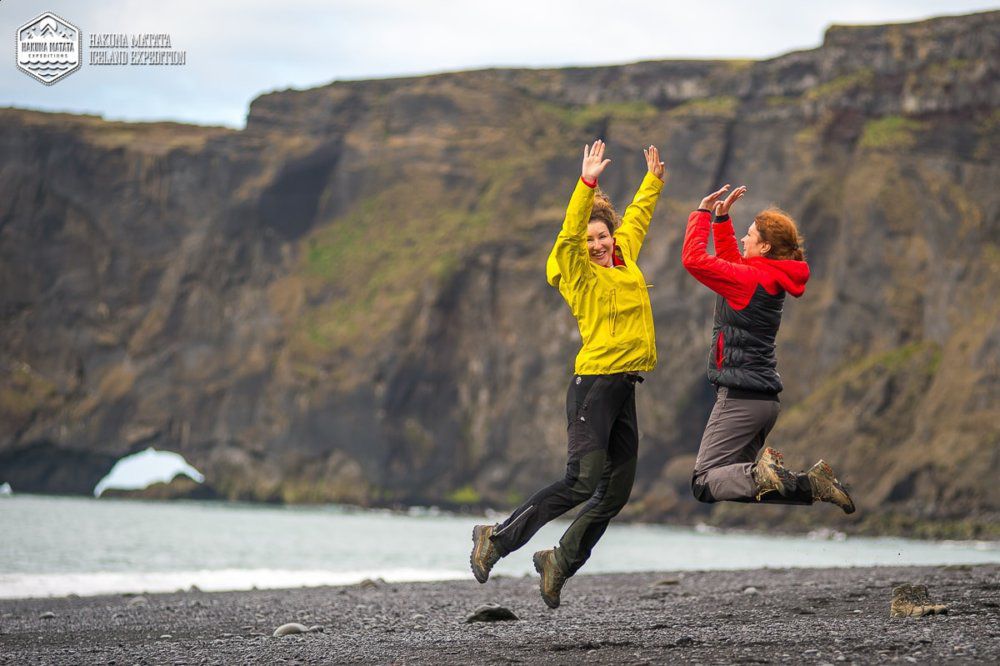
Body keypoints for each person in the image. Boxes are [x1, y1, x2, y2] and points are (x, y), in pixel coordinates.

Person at [470, 139, 665, 608]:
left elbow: (637, 218)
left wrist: (652, 183)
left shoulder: (625, 258)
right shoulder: (579, 272)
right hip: (593, 386)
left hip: (624, 387)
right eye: (590, 239)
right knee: (581, 480)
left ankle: (559, 561)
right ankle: (496, 538)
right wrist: (586, 184)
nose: (598, 245)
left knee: (614, 493)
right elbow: (569, 231)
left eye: (603, 237)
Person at [681, 184, 855, 513]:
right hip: (763, 403)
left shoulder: (747, 281)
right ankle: (811, 485)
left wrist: (702, 214)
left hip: (739, 398)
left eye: (749, 235)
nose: (743, 239)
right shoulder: (764, 277)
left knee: (704, 482)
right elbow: (732, 265)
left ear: (764, 246)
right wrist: (722, 221)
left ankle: (766, 472)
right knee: (744, 482)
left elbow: (693, 260)